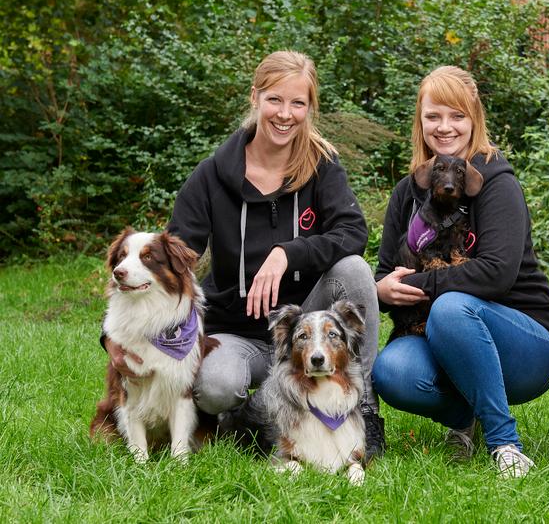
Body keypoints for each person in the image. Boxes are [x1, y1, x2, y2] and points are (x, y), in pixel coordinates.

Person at [103, 50, 385, 459]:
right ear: (255, 98)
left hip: (306, 325)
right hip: (237, 332)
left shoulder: (321, 165)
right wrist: (110, 335)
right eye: (275, 99)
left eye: (297, 103)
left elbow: (353, 232)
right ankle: (249, 417)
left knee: (354, 270)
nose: (284, 113)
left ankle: (363, 409)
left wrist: (288, 253)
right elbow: (167, 262)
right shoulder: (211, 176)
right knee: (214, 386)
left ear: (309, 108)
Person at [372, 66, 549, 477]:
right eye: (433, 116)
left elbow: (496, 274)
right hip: (444, 337)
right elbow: (386, 270)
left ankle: (504, 443)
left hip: (527, 344)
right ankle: (464, 419)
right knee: (392, 371)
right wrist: (382, 291)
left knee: (452, 307)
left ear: (474, 119)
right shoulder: (406, 193)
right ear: (419, 121)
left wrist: (420, 284)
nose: (445, 127)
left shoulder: (495, 181)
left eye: (457, 116)